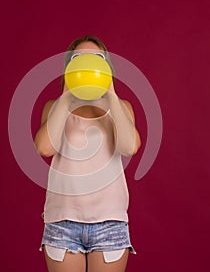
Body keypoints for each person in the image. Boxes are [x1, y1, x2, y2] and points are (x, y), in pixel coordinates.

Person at [34, 35, 141, 272]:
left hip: (110, 223)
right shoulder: (54, 107)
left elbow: (129, 147)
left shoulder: (121, 108)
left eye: (96, 59)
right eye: (79, 59)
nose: (88, 64)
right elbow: (44, 148)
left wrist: (111, 95)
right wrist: (66, 96)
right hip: (62, 223)